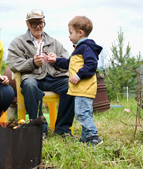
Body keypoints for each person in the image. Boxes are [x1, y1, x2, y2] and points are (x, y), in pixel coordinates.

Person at [7, 9, 75, 138]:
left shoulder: (54, 42)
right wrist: (31, 63)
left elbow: (68, 62)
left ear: (44, 22)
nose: (38, 26)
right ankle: (39, 129)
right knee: (30, 86)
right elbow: (12, 63)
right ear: (27, 24)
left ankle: (63, 129)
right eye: (34, 23)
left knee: (70, 85)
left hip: (53, 77)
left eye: (41, 23)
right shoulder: (18, 42)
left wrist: (57, 60)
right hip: (32, 78)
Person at [46, 16, 103, 146]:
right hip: (79, 90)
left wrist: (78, 75)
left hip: (84, 89)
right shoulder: (79, 48)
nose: (69, 36)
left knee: (82, 113)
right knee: (82, 113)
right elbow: (69, 63)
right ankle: (85, 138)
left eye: (70, 33)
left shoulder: (86, 47)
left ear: (80, 32)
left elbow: (91, 66)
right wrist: (56, 60)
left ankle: (93, 137)